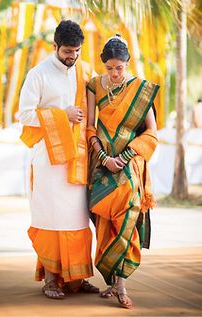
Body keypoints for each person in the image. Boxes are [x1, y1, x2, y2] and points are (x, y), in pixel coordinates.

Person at [18, 20, 99, 299]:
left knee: (77, 220)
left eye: (76, 50)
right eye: (67, 51)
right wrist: (61, 114)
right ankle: (51, 279)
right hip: (48, 161)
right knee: (51, 219)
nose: (72, 56)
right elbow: (24, 115)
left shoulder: (86, 71)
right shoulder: (38, 74)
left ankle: (76, 278)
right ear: (55, 46)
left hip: (78, 161)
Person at [86, 34, 159, 308]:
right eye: (110, 68)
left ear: (128, 64)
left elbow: (151, 132)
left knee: (128, 217)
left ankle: (121, 286)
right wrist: (104, 157)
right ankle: (111, 281)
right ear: (103, 65)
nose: (115, 74)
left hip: (129, 166)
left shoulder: (140, 89)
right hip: (102, 165)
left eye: (120, 68)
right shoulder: (94, 85)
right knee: (105, 225)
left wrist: (126, 155)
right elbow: (90, 128)